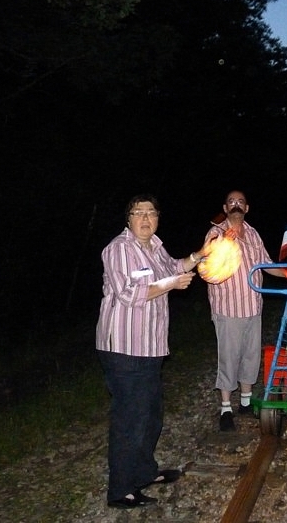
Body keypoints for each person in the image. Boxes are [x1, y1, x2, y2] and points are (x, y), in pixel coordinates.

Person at [96, 194, 195, 509]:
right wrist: (171, 284)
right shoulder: (119, 249)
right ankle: (121, 490)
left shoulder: (155, 246)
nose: (145, 218)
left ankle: (143, 473)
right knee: (130, 419)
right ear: (128, 219)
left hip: (150, 348)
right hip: (124, 349)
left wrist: (200, 255)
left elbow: (175, 266)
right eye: (138, 213)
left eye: (151, 212)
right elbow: (128, 293)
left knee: (150, 417)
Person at [201, 190, 287, 432]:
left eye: (240, 202)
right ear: (225, 207)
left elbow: (267, 265)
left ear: (247, 208)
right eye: (231, 202)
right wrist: (223, 244)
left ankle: (247, 403)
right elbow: (206, 269)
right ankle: (226, 408)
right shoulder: (215, 233)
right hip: (228, 308)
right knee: (229, 358)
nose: (236, 205)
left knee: (251, 356)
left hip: (252, 306)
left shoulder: (252, 234)